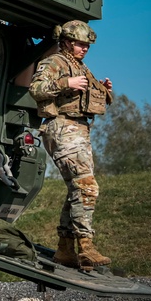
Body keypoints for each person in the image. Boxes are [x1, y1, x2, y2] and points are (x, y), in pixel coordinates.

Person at [29, 20, 113, 269]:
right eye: (79, 44)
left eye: (87, 45)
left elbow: (88, 97)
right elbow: (36, 88)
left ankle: (65, 249)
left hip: (78, 130)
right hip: (63, 128)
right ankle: (86, 247)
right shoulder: (55, 62)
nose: (84, 48)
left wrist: (104, 90)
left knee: (77, 189)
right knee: (87, 187)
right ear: (66, 42)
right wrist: (67, 83)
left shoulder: (79, 66)